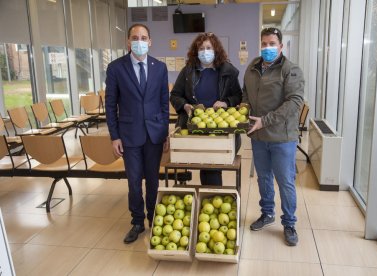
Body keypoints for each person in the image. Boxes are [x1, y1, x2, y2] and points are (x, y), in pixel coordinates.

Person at [105, 23, 169, 244]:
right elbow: (110, 105)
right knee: (134, 182)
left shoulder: (160, 68)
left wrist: (165, 132)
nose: (139, 41)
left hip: (154, 134)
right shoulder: (115, 68)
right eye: (135, 37)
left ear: (150, 41)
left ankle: (153, 217)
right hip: (129, 135)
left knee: (152, 181)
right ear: (128, 42)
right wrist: (114, 136)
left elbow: (163, 103)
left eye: (143, 38)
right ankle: (137, 222)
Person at [242, 27, 304, 246]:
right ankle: (267, 213)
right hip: (258, 137)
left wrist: (264, 121)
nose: (267, 47)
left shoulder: (290, 70)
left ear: (281, 46)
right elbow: (246, 94)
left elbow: (294, 102)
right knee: (263, 178)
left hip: (281, 138)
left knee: (285, 181)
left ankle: (289, 223)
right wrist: (244, 109)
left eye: (271, 44)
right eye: (264, 43)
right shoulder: (252, 67)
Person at [170, 32, 242, 186]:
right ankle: (201, 198)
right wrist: (185, 105)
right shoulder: (188, 71)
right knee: (202, 165)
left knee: (211, 167)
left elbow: (238, 96)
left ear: (216, 50)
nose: (205, 51)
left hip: (220, 128)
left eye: (209, 47)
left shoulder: (228, 72)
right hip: (193, 126)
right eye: (201, 48)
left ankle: (210, 196)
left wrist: (226, 102)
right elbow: (175, 95)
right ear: (196, 52)